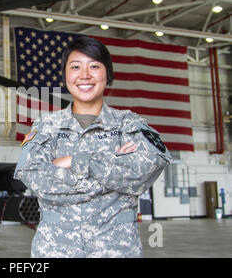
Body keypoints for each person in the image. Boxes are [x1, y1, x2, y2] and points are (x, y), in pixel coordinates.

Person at [14, 36, 172, 258]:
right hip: (55, 250)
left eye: (94, 66)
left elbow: (144, 170)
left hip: (116, 250)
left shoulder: (128, 124)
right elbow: (35, 179)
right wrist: (112, 176)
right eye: (76, 67)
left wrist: (74, 162)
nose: (84, 75)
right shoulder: (46, 126)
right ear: (65, 75)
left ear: (107, 74)